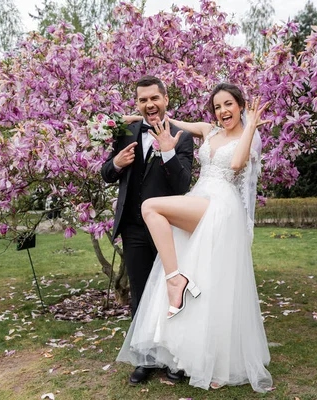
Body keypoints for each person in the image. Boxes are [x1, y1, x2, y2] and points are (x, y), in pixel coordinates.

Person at [116, 83, 273, 392]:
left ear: (241, 106)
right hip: (199, 201)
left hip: (221, 207)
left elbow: (238, 163)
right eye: (217, 106)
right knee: (205, 281)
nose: (223, 111)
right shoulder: (207, 130)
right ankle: (190, 354)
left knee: (151, 207)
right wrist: (132, 119)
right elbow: (167, 120)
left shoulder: (250, 136)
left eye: (229, 104)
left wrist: (251, 127)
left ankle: (174, 278)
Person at [101, 75, 194, 384]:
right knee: (140, 294)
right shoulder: (126, 132)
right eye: (143, 100)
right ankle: (145, 358)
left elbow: (182, 185)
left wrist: (167, 151)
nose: (149, 104)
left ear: (165, 100)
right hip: (134, 229)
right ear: (137, 103)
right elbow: (106, 175)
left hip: (166, 228)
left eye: (154, 98)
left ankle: (175, 359)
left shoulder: (182, 136)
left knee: (170, 292)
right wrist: (116, 162)